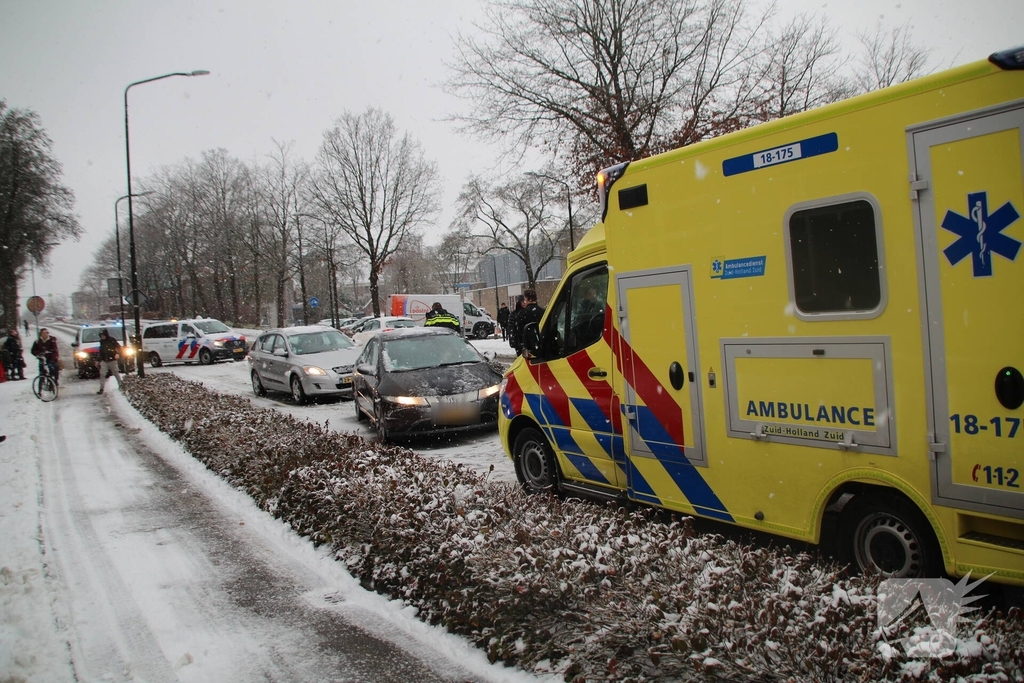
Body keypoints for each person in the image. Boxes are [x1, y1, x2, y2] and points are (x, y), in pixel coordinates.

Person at [510, 290, 545, 356]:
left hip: (528, 348)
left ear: (527, 299)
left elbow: (519, 332)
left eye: (525, 299)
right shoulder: (543, 312)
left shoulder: (522, 314)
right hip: (542, 346)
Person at [96, 329, 124, 394]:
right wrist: (98, 360)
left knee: (115, 373)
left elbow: (119, 347)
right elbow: (101, 352)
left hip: (112, 360)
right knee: (102, 374)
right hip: (104, 360)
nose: (102, 337)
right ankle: (101, 388)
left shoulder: (112, 340)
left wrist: (118, 353)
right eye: (101, 336)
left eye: (103, 335)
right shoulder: (101, 342)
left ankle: (120, 385)